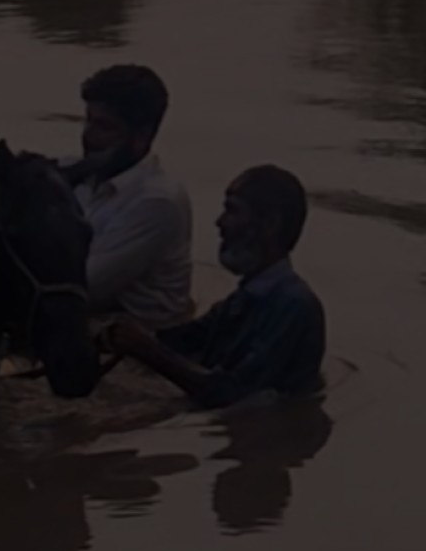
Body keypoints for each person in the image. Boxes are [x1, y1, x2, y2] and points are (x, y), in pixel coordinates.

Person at [99, 165, 326, 409]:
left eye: (232, 210)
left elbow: (232, 394)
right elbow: (183, 340)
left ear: (270, 224)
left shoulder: (294, 306)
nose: (220, 223)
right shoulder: (242, 300)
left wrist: (146, 350)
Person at [73, 64, 193, 330]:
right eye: (88, 121)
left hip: (141, 338)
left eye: (104, 127)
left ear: (141, 136)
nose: (89, 136)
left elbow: (83, 288)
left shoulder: (157, 203)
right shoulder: (82, 176)